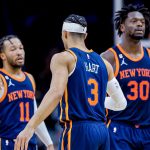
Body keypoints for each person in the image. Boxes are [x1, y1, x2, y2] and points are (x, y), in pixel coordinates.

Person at [14, 14, 127, 150]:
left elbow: (56, 93)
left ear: (65, 34)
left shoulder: (64, 58)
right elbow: (121, 103)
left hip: (78, 130)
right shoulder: (104, 64)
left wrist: (30, 127)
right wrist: (94, 101)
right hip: (102, 131)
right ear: (85, 36)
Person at [101, 3, 150, 150]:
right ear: (122, 27)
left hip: (147, 129)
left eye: (142, 22)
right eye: (134, 21)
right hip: (120, 128)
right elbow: (95, 97)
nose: (140, 25)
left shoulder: (149, 55)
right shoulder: (109, 57)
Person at [0, 35, 54, 150]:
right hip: (8, 144)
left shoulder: (29, 78)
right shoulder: (1, 78)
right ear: (2, 55)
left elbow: (35, 115)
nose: (19, 52)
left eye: (21, 48)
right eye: (13, 49)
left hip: (30, 145)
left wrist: (49, 143)